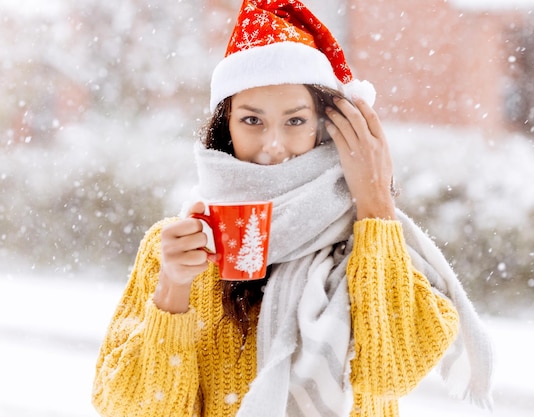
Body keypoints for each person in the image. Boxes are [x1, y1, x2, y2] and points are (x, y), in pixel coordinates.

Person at [92, 1, 493, 416]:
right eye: (251, 120)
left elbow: (390, 372)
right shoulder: (175, 245)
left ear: (327, 127)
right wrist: (173, 290)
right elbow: (131, 408)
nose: (273, 145)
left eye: (295, 121)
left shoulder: (370, 242)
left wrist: (375, 201)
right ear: (224, 127)